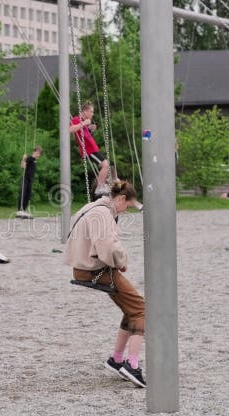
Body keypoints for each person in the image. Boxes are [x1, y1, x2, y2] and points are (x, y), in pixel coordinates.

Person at [64, 180, 146, 387]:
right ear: (120, 199)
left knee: (131, 309)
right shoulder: (103, 214)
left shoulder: (93, 207)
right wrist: (122, 261)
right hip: (94, 270)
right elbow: (108, 246)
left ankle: (116, 359)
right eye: (127, 205)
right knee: (141, 310)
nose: (126, 211)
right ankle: (132, 365)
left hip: (86, 267)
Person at [70, 101, 111, 195]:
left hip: (94, 149)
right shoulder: (77, 119)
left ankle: (104, 185)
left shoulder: (84, 123)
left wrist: (90, 129)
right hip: (89, 150)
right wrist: (84, 123)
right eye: (91, 111)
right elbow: (71, 129)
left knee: (107, 168)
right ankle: (99, 187)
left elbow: (83, 134)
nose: (93, 114)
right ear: (85, 111)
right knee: (106, 165)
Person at [17, 146, 42, 218]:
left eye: (39, 153)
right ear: (34, 152)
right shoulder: (30, 158)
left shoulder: (34, 160)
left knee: (28, 195)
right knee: (23, 193)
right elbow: (22, 166)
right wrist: (23, 159)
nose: (38, 155)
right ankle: (20, 210)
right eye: (37, 153)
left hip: (30, 180)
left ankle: (23, 210)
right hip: (26, 178)